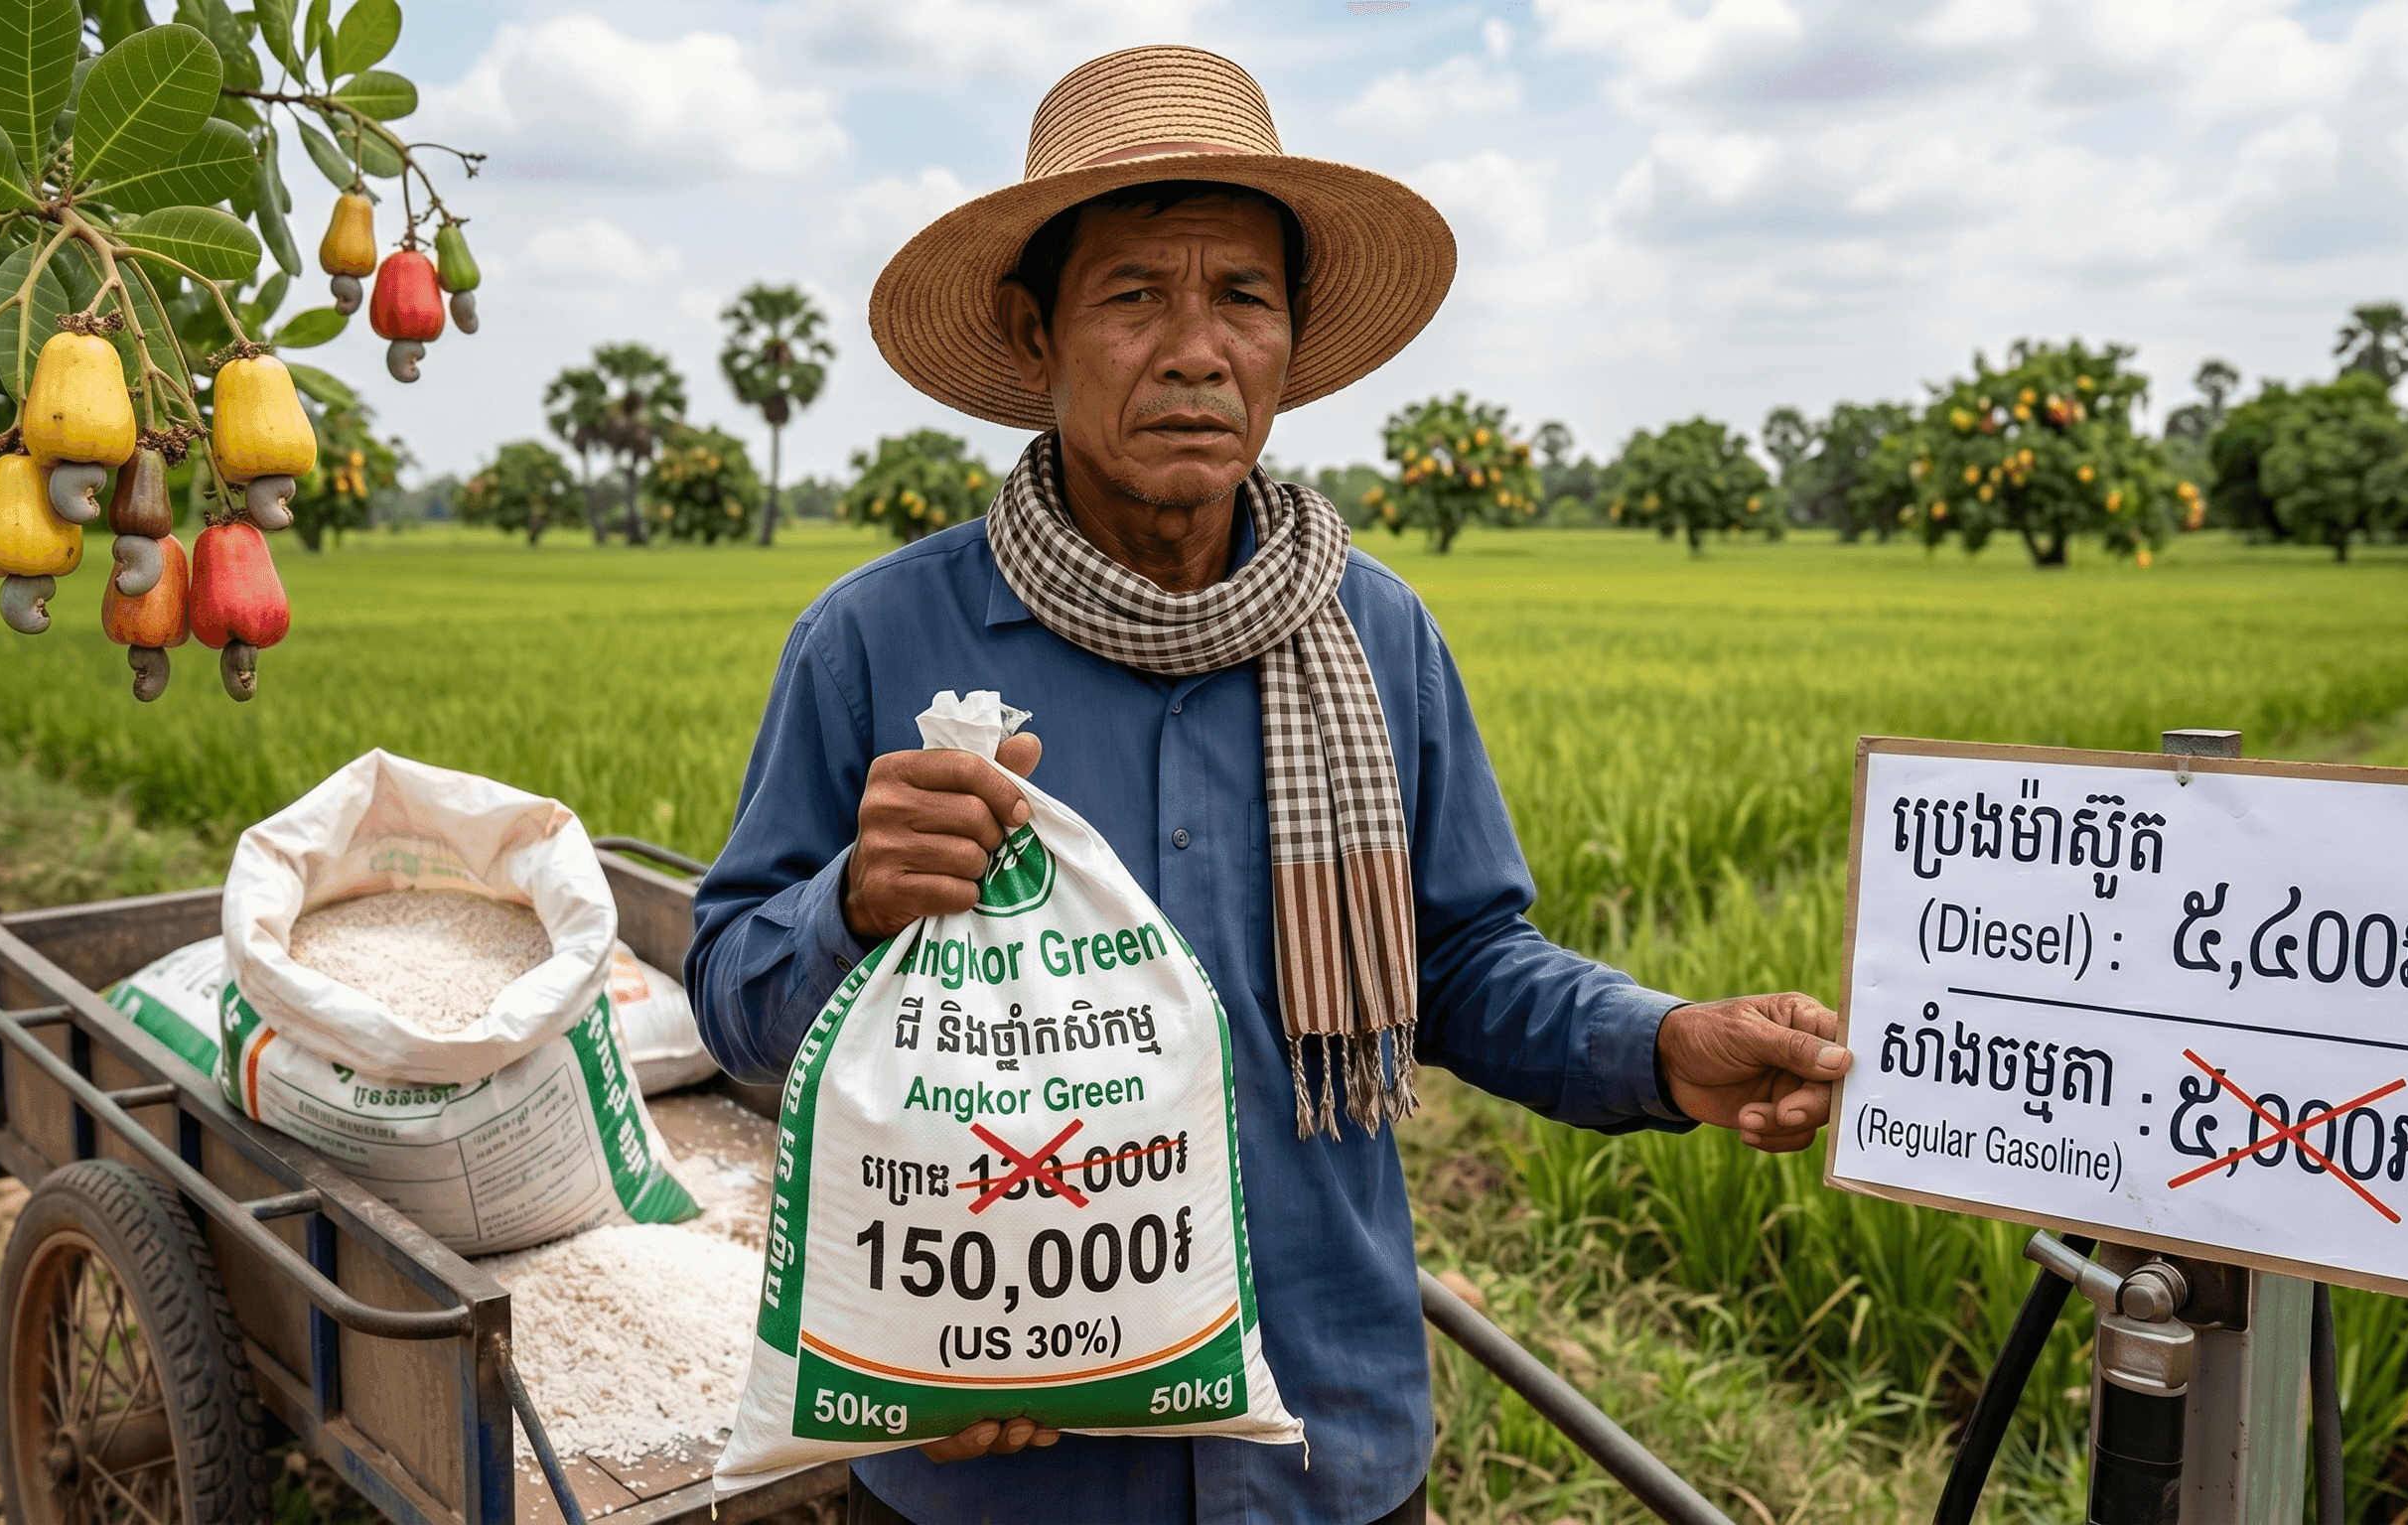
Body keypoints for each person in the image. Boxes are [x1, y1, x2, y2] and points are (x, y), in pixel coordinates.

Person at [687, 45, 1849, 1525]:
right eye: (1134, 298)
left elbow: (1462, 966)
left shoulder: (1375, 635)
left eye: (1242, 295)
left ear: (1291, 341)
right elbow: (730, 993)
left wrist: (1666, 1044)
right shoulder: (876, 642)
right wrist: (852, 902)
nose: (1195, 349)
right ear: (1037, 336)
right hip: (996, 1457)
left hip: (1327, 1446)